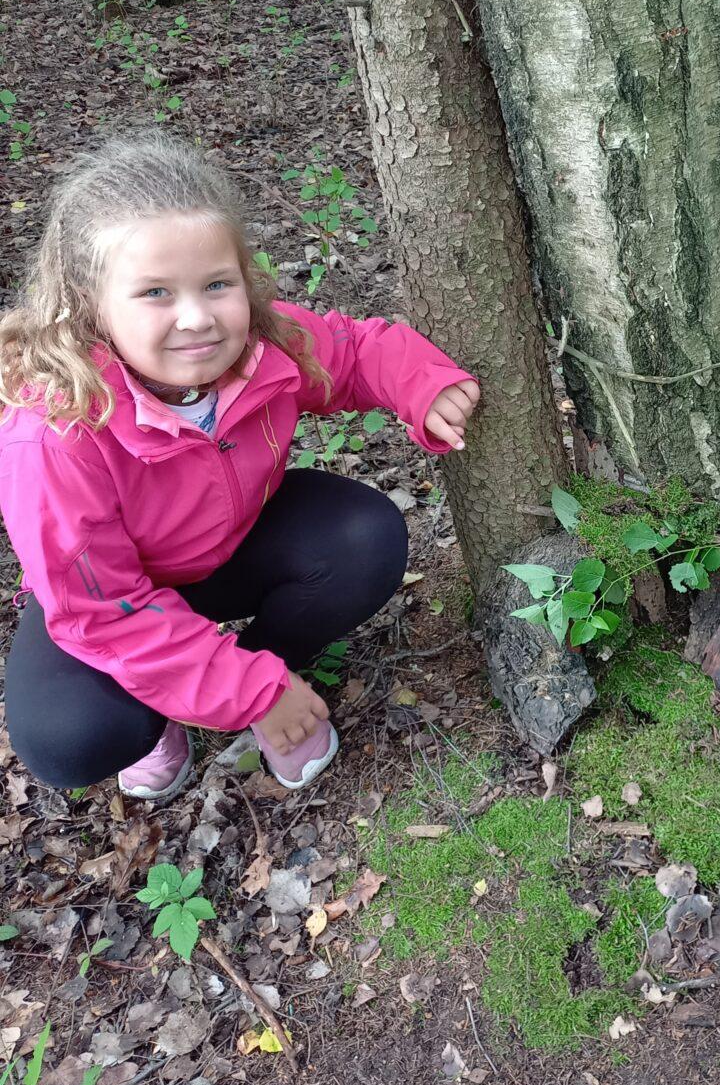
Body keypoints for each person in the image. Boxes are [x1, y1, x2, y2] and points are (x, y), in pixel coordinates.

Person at [0, 134, 479, 803]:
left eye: (217, 285)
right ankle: (180, 708)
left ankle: (268, 677)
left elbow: (351, 351)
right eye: (156, 293)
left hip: (227, 553)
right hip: (107, 598)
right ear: (90, 302)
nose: (196, 318)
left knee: (365, 538)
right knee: (75, 737)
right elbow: (104, 610)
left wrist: (424, 384)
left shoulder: (259, 346)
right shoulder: (55, 431)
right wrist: (246, 692)